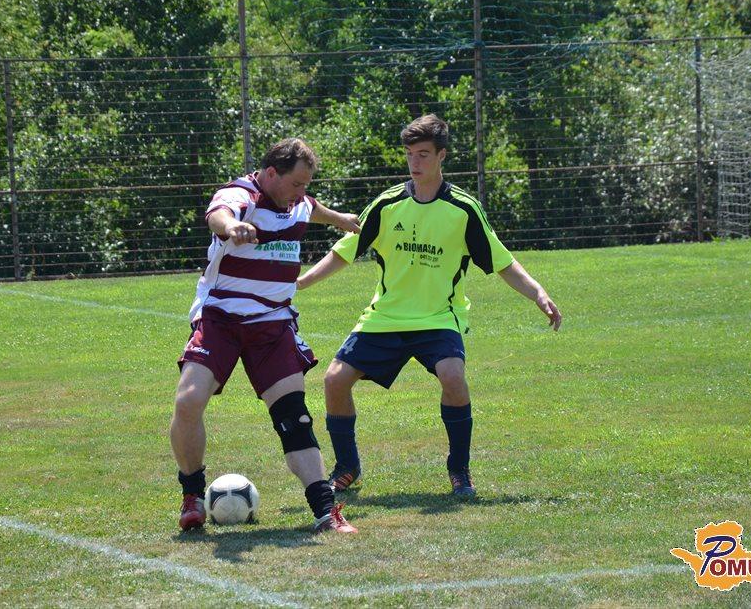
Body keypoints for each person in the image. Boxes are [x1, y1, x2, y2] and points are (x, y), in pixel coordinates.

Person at [297, 114, 562, 497]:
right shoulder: (387, 204)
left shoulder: (463, 209)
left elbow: (502, 261)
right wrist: (302, 281)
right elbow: (345, 251)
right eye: (409, 154)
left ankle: (459, 470)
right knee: (335, 380)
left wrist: (537, 292)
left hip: (439, 317)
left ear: (441, 156)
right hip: (386, 316)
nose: (414, 162)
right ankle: (347, 466)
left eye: (423, 154)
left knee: (453, 376)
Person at [171, 138, 359, 533]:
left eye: (306, 184)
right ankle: (192, 496)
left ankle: (326, 512)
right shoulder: (242, 194)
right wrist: (232, 227)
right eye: (296, 183)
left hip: (272, 324)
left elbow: (313, 208)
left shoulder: (298, 201)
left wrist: (340, 218)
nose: (301, 192)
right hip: (220, 319)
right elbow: (218, 214)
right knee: (188, 402)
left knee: (295, 417)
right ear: (271, 173)